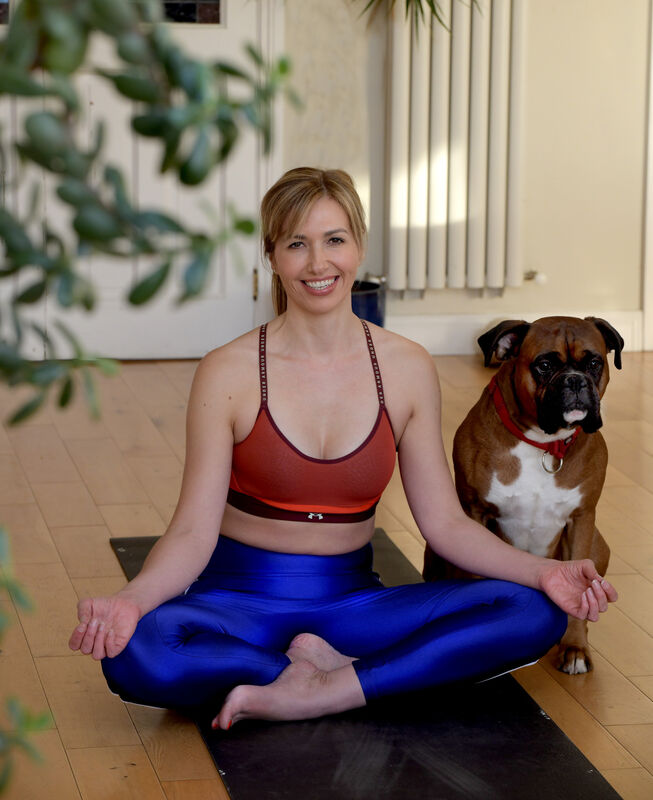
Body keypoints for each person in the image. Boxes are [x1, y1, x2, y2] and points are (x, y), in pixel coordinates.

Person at [69, 167, 617, 731]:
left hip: (353, 605)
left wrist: (542, 573)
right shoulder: (226, 371)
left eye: (334, 240)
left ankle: (329, 687)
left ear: (358, 246)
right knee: (135, 649)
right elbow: (190, 532)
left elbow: (446, 526)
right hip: (238, 603)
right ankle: (330, 674)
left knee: (533, 610)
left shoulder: (405, 367)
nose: (317, 264)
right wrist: (131, 601)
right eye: (296, 244)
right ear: (273, 255)